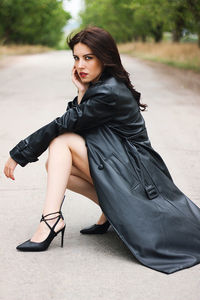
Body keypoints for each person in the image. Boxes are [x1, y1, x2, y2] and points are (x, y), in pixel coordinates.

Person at [3, 26, 200, 274]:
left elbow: (64, 125)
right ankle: (109, 212)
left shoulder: (109, 90)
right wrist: (82, 93)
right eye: (76, 58)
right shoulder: (102, 86)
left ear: (104, 58)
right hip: (128, 166)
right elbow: (77, 120)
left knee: (61, 143)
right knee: (59, 167)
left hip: (138, 174)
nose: (80, 65)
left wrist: (19, 153)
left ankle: (51, 220)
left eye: (88, 57)